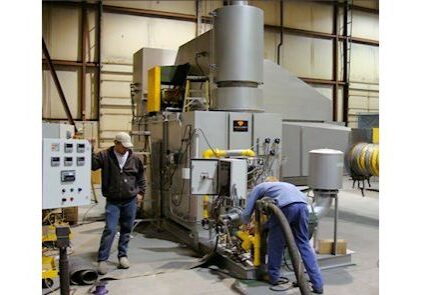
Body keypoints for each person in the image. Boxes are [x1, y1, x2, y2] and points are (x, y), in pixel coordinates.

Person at [241, 176, 324, 294]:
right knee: (303, 244)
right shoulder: (287, 185)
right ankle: (318, 284)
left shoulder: (260, 187)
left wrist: (244, 223)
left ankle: (274, 277)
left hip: (286, 208)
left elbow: (247, 211)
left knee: (275, 243)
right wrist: (266, 225)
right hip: (303, 207)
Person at [90, 132, 145, 275]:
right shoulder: (104, 156)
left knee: (127, 230)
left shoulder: (134, 158)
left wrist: (140, 193)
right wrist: (89, 149)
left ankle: (123, 256)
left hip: (130, 200)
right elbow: (92, 165)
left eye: (128, 146)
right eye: (123, 146)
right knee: (110, 229)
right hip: (113, 201)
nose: (126, 149)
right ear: (116, 143)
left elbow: (141, 177)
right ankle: (102, 259)